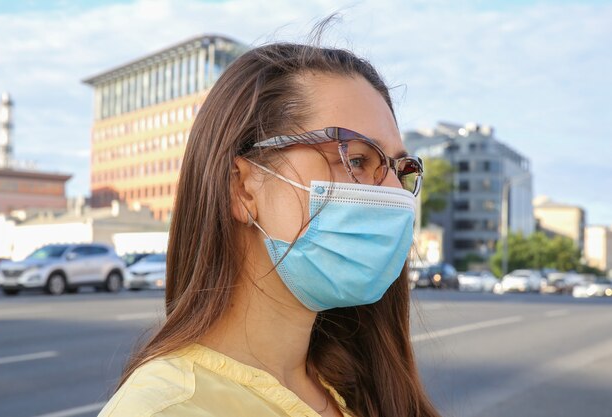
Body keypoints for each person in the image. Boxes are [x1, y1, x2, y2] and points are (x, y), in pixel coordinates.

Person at [98, 38, 440, 417]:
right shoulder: (166, 409)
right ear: (243, 187)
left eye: (398, 168)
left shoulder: (359, 389)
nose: (395, 193)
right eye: (357, 158)